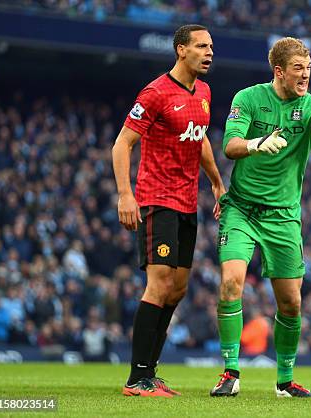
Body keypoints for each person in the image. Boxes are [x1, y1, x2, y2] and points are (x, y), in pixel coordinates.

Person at [210, 37, 311, 398]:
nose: (306, 75)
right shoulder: (248, 98)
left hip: (284, 216)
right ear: (279, 71)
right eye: (298, 68)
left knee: (292, 302)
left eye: (309, 67)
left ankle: (285, 380)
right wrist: (256, 143)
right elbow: (230, 144)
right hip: (241, 208)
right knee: (231, 282)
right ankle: (230, 372)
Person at [112, 24, 225, 398]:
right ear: (181, 50)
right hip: (156, 199)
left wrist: (216, 181)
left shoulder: (204, 92)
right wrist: (125, 195)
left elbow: (201, 137)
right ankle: (136, 379)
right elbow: (122, 144)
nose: (209, 52)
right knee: (158, 284)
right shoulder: (156, 92)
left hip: (186, 202)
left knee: (177, 290)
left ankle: (151, 371)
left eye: (211, 46)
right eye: (201, 46)